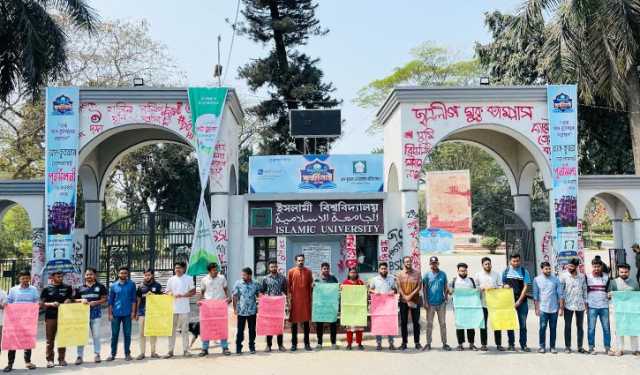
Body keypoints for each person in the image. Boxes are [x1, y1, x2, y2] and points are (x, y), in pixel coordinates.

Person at [3, 271, 38, 372]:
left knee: (27, 340)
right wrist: (5, 303)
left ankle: (28, 362)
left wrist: (37, 304)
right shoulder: (13, 290)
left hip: (28, 319)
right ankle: (10, 364)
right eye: (23, 278)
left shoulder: (34, 289)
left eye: (27, 278)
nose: (25, 280)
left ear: (29, 279)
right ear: (19, 279)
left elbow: (36, 301)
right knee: (12, 341)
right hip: (15, 320)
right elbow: (9, 301)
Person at [74, 267, 107, 364]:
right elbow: (73, 300)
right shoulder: (80, 287)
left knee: (96, 335)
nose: (89, 276)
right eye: (87, 274)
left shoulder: (100, 286)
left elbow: (104, 298)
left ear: (95, 275)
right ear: (84, 276)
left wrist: (96, 302)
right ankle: (79, 356)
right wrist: (80, 300)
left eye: (91, 274)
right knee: (81, 336)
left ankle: (97, 354)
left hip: (95, 314)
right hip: (82, 315)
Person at [198, 262, 232, 357]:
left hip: (220, 305)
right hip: (208, 306)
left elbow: (226, 289)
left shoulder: (222, 278)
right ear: (209, 271)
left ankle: (225, 347)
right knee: (206, 326)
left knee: (222, 326)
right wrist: (199, 301)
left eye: (216, 269)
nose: (216, 271)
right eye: (214, 270)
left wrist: (228, 297)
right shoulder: (204, 279)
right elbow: (202, 291)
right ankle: (205, 348)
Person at [40, 270, 73, 368]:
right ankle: (50, 360)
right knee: (50, 340)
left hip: (64, 316)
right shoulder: (46, 289)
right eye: (58, 276)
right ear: (52, 277)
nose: (60, 278)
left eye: (61, 276)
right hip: (50, 316)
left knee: (63, 338)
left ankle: (61, 359)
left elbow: (72, 298)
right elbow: (41, 304)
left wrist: (69, 300)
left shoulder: (67, 287)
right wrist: (51, 304)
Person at [607, 263, 640, 356]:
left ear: (629, 272)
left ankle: (635, 349)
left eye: (626, 272)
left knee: (633, 329)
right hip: (618, 311)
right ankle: (619, 349)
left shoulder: (634, 283)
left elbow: (638, 296)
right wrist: (610, 295)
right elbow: (609, 295)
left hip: (631, 311)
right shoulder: (613, 282)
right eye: (622, 272)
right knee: (619, 329)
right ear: (618, 271)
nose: (624, 274)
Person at [164, 261, 196, 358]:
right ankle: (170, 351)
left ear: (184, 269)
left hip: (184, 308)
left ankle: (186, 350)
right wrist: (172, 294)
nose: (177, 269)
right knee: (171, 330)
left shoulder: (189, 278)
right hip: (172, 308)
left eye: (179, 268)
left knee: (185, 330)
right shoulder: (171, 279)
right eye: (176, 268)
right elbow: (167, 292)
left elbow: (193, 291)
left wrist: (183, 295)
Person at [503, 253, 531, 352]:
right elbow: (502, 285)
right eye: (514, 261)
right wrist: (504, 286)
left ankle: (523, 345)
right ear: (510, 261)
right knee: (510, 324)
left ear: (520, 261)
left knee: (522, 324)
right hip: (509, 302)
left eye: (518, 261)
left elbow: (526, 287)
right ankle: (511, 344)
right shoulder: (506, 271)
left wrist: (519, 301)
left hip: (522, 302)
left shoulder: (524, 272)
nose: (516, 263)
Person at [533, 261, 564, 354]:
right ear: (542, 269)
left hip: (554, 309)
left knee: (553, 328)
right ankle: (542, 346)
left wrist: (561, 308)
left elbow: (560, 295)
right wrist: (536, 308)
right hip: (543, 309)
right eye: (546, 269)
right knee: (542, 328)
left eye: (549, 268)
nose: (548, 270)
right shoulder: (537, 280)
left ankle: (552, 347)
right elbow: (535, 295)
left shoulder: (556, 280)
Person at [107, 266, 137, 361]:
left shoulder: (131, 285)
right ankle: (112, 354)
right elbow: (110, 301)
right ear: (118, 274)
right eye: (121, 273)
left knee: (127, 334)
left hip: (127, 313)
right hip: (116, 314)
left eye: (125, 273)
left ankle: (127, 353)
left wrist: (133, 312)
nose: (123, 274)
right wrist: (110, 314)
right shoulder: (113, 286)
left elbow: (133, 300)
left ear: (127, 274)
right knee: (114, 334)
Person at [475, 257, 504, 351]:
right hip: (483, 304)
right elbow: (475, 287)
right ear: (482, 265)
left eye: (489, 264)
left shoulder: (496, 274)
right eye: (486, 264)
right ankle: (484, 344)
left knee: (497, 324)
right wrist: (481, 288)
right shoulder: (478, 275)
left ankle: (499, 344)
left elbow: (500, 286)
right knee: (483, 325)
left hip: (494, 304)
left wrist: (494, 288)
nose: (488, 265)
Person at [422, 256, 450, 351]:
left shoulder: (443, 274)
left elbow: (446, 286)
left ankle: (445, 343)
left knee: (443, 324)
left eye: (435, 263)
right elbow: (424, 289)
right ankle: (428, 343)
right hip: (430, 304)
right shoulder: (427, 275)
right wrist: (425, 302)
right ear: (430, 264)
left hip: (441, 303)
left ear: (438, 263)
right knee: (429, 324)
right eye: (432, 263)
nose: (434, 264)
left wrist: (446, 297)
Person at [559, 258, 587, 353]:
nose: (569, 268)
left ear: (576, 267)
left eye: (571, 266)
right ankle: (567, 346)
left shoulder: (582, 277)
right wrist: (561, 307)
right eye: (568, 265)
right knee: (567, 326)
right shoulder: (563, 276)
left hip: (580, 305)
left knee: (580, 326)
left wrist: (586, 305)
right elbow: (561, 292)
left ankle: (580, 347)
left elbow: (584, 290)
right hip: (568, 305)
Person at [368, 262, 397, 351]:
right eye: (382, 268)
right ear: (379, 270)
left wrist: (393, 291)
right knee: (378, 324)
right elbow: (369, 290)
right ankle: (379, 343)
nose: (384, 270)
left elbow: (395, 289)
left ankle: (391, 343)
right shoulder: (374, 279)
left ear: (387, 269)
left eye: (385, 268)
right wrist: (374, 292)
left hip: (389, 305)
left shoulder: (392, 279)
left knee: (390, 323)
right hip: (378, 305)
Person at [287, 254, 313, 351]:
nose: (300, 262)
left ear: (304, 261)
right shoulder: (291, 271)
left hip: (306, 301)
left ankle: (307, 344)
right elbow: (288, 287)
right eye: (299, 260)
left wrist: (313, 286)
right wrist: (289, 301)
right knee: (294, 324)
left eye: (302, 260)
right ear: (295, 261)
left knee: (306, 323)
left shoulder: (308, 272)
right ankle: (294, 344)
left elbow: (311, 285)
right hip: (295, 301)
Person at [136, 269, 163, 360]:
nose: (147, 277)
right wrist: (136, 312)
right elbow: (138, 300)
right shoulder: (140, 286)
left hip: (153, 313)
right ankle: (142, 353)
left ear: (152, 275)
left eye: (149, 275)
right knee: (141, 333)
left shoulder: (158, 285)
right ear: (144, 275)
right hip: (142, 312)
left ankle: (153, 352)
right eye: (145, 275)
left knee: (153, 332)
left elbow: (161, 299)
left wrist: (153, 296)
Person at [586, 258, 611, 355]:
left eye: (598, 266)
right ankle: (591, 347)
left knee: (606, 328)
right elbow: (585, 291)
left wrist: (609, 295)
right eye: (594, 266)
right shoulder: (587, 277)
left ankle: (607, 348)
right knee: (591, 328)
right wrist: (586, 305)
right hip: (592, 307)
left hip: (604, 306)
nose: (596, 268)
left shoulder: (606, 277)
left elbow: (609, 290)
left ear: (601, 266)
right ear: (592, 266)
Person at [396, 256, 422, 351]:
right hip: (403, 301)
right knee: (403, 322)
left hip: (415, 300)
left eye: (409, 261)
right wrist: (405, 298)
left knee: (416, 322)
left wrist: (409, 296)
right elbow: (399, 288)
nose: (408, 263)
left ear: (412, 262)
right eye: (406, 262)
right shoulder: (399, 274)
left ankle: (417, 342)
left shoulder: (417, 273)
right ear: (403, 263)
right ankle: (404, 343)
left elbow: (419, 287)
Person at [449, 262, 477, 351]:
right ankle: (460, 344)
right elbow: (449, 291)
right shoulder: (454, 281)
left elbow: (475, 292)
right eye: (461, 271)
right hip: (458, 307)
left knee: (470, 325)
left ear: (466, 271)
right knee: (460, 325)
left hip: (469, 306)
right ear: (458, 271)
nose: (463, 272)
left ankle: (471, 344)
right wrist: (450, 290)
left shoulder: (471, 280)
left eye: (464, 271)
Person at [260, 260, 287, 352]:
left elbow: (285, 291)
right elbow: (262, 292)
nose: (274, 268)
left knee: (279, 325)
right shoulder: (265, 279)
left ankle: (280, 345)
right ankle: (268, 345)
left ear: (277, 267)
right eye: (272, 267)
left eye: (275, 266)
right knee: (269, 325)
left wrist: (285, 300)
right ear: (269, 268)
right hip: (269, 306)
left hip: (279, 305)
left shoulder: (282, 278)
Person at [232, 267, 260, 355]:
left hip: (252, 311)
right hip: (241, 311)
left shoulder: (256, 283)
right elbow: (235, 296)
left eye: (244, 275)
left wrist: (259, 306)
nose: (242, 276)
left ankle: (252, 346)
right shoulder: (238, 283)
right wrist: (235, 308)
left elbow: (259, 295)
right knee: (240, 330)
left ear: (249, 275)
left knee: (252, 330)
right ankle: (238, 348)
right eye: (242, 274)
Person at [314, 262, 339, 350]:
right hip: (320, 306)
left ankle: (333, 343)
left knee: (333, 324)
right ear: (321, 269)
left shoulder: (333, 279)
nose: (326, 270)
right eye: (324, 268)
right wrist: (312, 286)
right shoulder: (317, 280)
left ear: (329, 269)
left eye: (327, 268)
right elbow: (313, 290)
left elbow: (337, 289)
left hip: (331, 306)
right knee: (319, 325)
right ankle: (319, 343)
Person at [342, 267, 365, 350]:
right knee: (349, 328)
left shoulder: (360, 283)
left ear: (357, 273)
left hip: (359, 308)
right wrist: (341, 288)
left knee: (359, 328)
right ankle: (349, 344)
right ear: (348, 274)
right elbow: (342, 294)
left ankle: (359, 343)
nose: (353, 274)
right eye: (351, 272)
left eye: (354, 272)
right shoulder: (345, 283)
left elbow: (364, 294)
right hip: (349, 309)